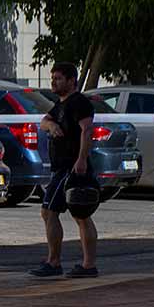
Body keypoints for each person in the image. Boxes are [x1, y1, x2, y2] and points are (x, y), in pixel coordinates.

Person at [30, 62, 100, 278]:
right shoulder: (61, 104)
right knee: (76, 215)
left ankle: (57, 262)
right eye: (53, 78)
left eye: (58, 78)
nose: (54, 82)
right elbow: (44, 121)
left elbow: (87, 130)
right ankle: (83, 265)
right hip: (60, 167)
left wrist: (81, 160)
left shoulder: (78, 102)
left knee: (56, 212)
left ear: (71, 81)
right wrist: (51, 126)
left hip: (71, 167)